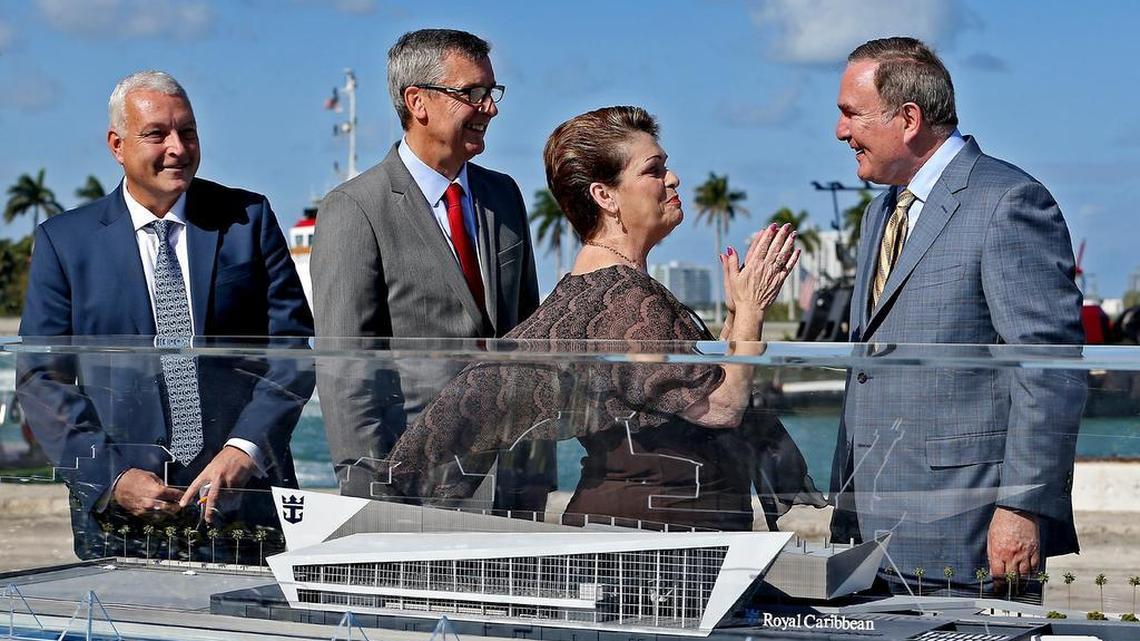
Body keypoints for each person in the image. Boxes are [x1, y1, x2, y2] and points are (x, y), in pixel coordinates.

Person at [383, 106, 826, 531]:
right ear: (605, 196)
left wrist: (732, 319)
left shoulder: (592, 292)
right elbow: (722, 408)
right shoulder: (623, 298)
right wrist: (751, 313)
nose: (672, 179)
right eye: (653, 170)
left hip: (660, 523)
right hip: (655, 540)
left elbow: (691, 392)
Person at [17, 70, 314, 561]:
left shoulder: (248, 218)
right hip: (122, 515)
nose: (177, 147)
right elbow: (40, 379)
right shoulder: (64, 242)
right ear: (117, 145)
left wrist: (245, 449)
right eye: (157, 134)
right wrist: (110, 477)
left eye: (188, 132)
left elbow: (291, 351)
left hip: (243, 505)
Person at [827, 37, 1085, 596]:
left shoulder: (1009, 201)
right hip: (870, 531)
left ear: (909, 119)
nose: (840, 132)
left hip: (968, 533)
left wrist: (1022, 508)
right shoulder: (881, 212)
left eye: (850, 114)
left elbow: (1050, 368)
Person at [313, 29, 551, 511]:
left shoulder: (504, 196)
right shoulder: (354, 208)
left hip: (509, 481)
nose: (491, 108)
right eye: (474, 94)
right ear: (417, 101)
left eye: (492, 92)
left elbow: (528, 337)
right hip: (413, 487)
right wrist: (372, 498)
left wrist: (535, 469)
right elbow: (347, 368)